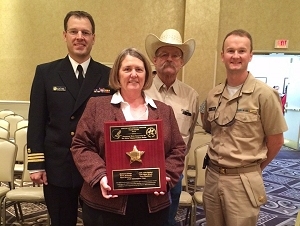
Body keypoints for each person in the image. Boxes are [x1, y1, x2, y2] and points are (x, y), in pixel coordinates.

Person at [70, 48, 186, 226]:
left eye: (139, 69)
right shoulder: (96, 106)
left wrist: (165, 175)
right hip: (106, 203)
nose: (133, 74)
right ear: (117, 74)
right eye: (127, 69)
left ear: (147, 74)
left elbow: (178, 148)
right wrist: (101, 175)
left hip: (151, 205)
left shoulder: (164, 111)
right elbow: (80, 145)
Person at [27, 11, 112, 225]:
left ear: (94, 38)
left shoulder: (108, 75)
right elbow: (37, 121)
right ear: (65, 35)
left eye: (86, 32)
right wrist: (37, 165)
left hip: (95, 167)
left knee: (98, 222)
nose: (80, 37)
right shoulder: (46, 73)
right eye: (74, 31)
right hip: (59, 167)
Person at [202, 29, 288, 226]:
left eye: (242, 51)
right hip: (213, 177)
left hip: (243, 181)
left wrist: (254, 169)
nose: (235, 56)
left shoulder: (265, 95)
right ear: (222, 55)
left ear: (251, 55)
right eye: (230, 50)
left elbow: (276, 141)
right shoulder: (213, 95)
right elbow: (209, 127)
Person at [144, 28, 199, 226]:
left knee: (167, 221)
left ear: (182, 62)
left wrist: (175, 167)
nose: (170, 59)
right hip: (141, 170)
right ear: (154, 59)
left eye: (175, 55)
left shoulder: (191, 96)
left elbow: (189, 136)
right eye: (164, 54)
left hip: (173, 175)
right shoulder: (140, 89)